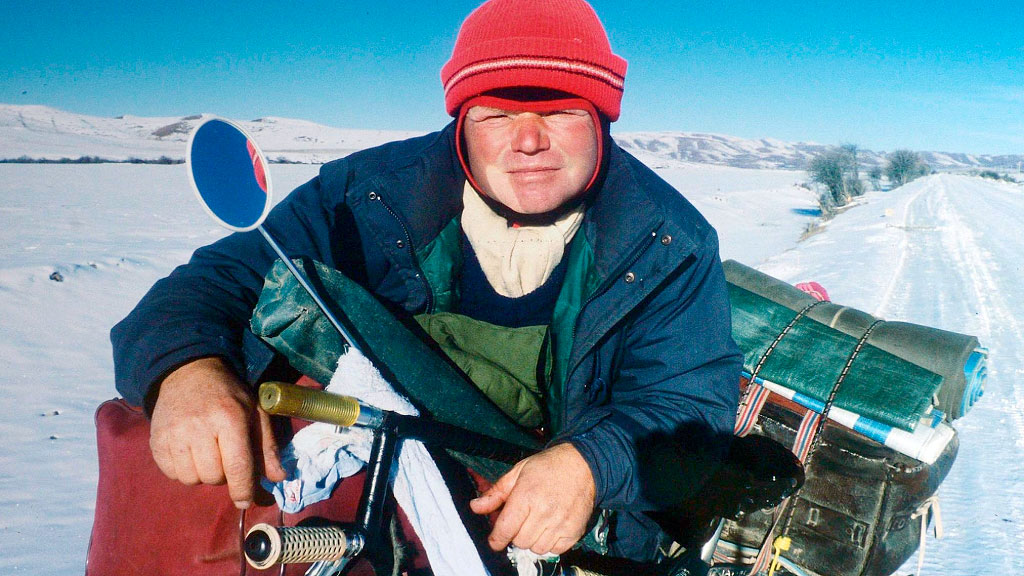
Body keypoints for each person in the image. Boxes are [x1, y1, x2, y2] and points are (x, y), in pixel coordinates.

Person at [111, 0, 742, 564]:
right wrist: (186, 371)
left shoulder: (667, 244)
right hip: (389, 484)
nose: (527, 139)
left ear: (603, 117)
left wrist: (588, 466)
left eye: (560, 111)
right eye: (496, 113)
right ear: (461, 119)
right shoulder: (368, 197)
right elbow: (222, 278)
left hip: (551, 523)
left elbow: (689, 403)